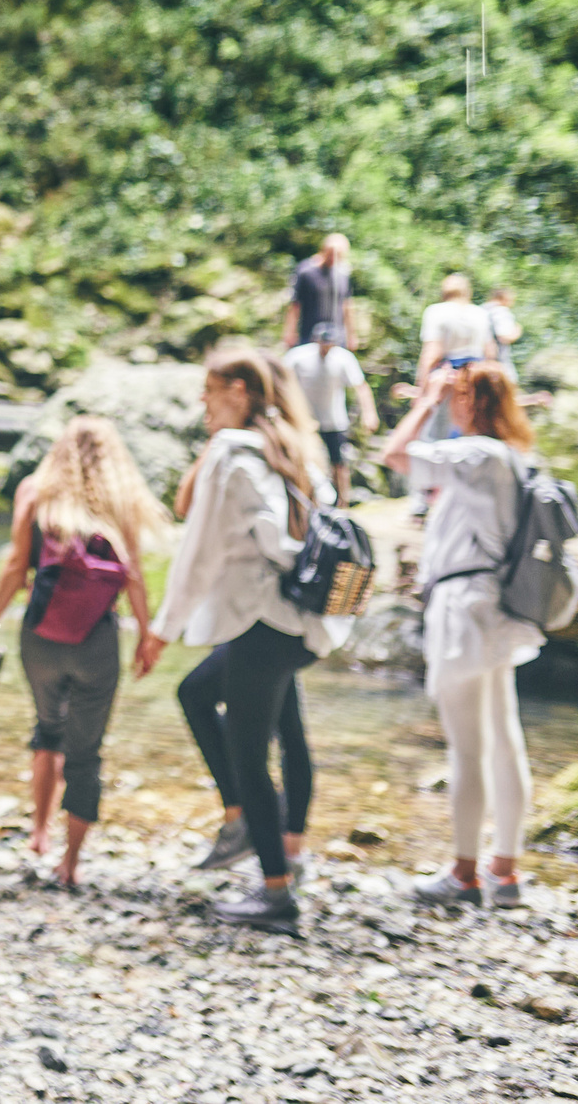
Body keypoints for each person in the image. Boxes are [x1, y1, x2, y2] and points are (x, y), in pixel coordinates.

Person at [138, 349, 341, 932]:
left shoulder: (232, 454)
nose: (202, 401)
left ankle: (275, 891)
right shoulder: (293, 445)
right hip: (294, 624)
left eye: (210, 389)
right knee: (203, 696)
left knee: (252, 758)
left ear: (240, 391)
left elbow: (199, 550)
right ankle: (258, 835)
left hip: (260, 623)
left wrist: (162, 627)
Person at [0, 416, 162, 887]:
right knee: (86, 752)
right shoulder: (119, 500)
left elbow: (16, 566)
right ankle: (71, 865)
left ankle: (39, 832)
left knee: (47, 727)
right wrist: (145, 634)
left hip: (40, 634)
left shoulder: (35, 492)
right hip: (97, 638)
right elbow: (133, 572)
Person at [380, 361, 544, 910]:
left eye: (458, 396)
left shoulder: (476, 454)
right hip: (495, 610)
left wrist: (424, 401)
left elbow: (396, 455)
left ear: (471, 402)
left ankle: (464, 873)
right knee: (503, 737)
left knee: (467, 748)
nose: (451, 403)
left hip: (463, 613)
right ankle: (506, 870)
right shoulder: (513, 459)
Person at [286, 324, 378, 506]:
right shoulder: (298, 357)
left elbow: (360, 386)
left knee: (339, 462)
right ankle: (307, 501)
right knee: (306, 459)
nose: (326, 348)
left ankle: (342, 503)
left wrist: (369, 413)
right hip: (306, 420)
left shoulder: (343, 358)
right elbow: (283, 382)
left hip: (334, 420)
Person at [416, 273, 494, 443]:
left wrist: (422, 391)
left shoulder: (436, 311)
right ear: (467, 292)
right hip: (476, 379)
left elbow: (432, 353)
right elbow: (490, 353)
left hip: (447, 377)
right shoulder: (480, 314)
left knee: (438, 434)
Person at [281, 232, 354, 352]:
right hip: (308, 335)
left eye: (338, 256)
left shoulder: (342, 274)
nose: (333, 259)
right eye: (331, 254)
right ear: (324, 250)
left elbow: (347, 305)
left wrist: (351, 335)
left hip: (336, 336)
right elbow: (295, 304)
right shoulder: (306, 271)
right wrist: (290, 332)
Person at [483, 286, 524, 381]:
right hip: (498, 361)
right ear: (504, 298)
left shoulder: (480, 309)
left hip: (479, 361)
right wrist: (517, 331)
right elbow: (504, 337)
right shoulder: (500, 311)